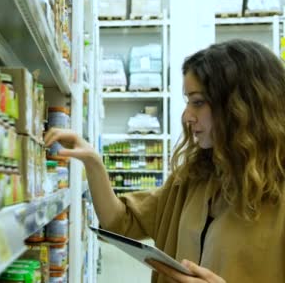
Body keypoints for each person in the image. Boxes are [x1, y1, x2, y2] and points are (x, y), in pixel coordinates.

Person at [45, 39, 285, 283]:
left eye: (198, 102)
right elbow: (121, 221)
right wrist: (93, 163)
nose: (187, 116)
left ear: (241, 106)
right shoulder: (194, 180)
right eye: (188, 101)